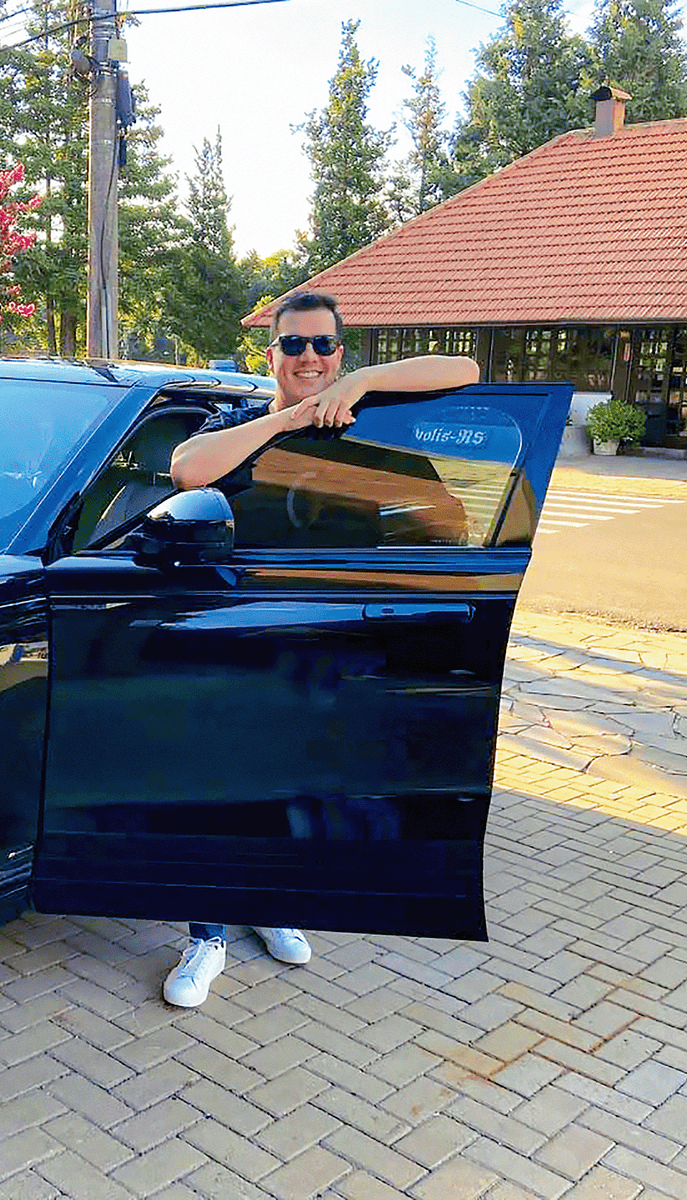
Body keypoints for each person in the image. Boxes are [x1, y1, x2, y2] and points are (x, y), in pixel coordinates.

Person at [159, 292, 481, 1010]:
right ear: (271, 354)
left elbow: (466, 369)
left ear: (340, 352)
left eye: (324, 345)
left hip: (334, 643)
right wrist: (290, 418)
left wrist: (360, 385)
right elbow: (187, 470)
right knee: (219, 783)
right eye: (294, 344)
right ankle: (206, 934)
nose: (309, 357)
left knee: (296, 782)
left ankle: (271, 903)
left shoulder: (369, 425)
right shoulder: (243, 426)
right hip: (243, 640)